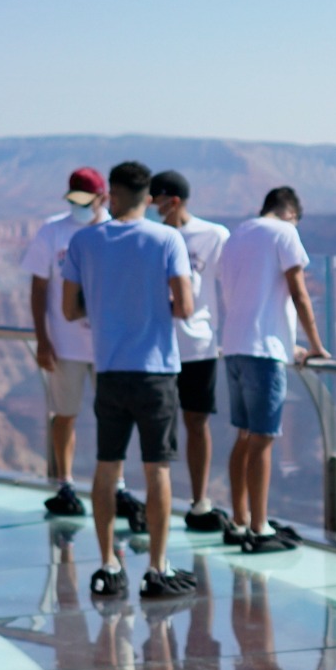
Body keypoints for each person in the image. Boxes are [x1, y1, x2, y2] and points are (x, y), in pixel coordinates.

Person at [61, 160, 199, 600]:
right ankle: (157, 568)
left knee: (107, 466)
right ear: (148, 197)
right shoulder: (167, 238)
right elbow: (186, 306)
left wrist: (104, 305)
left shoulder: (84, 241)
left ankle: (107, 563)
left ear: (113, 196)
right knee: (157, 467)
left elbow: (69, 309)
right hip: (156, 369)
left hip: (110, 369)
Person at [212, 186, 329, 552]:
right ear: (290, 213)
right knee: (262, 439)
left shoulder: (235, 236)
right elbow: (298, 291)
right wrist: (315, 345)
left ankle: (239, 519)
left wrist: (283, 337)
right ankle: (260, 529)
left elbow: (242, 294)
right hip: (263, 353)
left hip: (235, 345)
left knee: (244, 435)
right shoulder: (284, 233)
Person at [149, 169, 235, 534]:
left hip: (198, 344)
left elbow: (230, 286)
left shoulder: (213, 236)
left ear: (175, 200)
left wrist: (229, 334)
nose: (153, 207)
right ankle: (158, 503)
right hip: (156, 344)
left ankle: (199, 502)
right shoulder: (151, 237)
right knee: (157, 427)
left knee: (196, 423)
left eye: (158, 200)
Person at [24, 167, 106, 518]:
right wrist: (42, 339)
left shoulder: (114, 232)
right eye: (73, 201)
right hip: (65, 344)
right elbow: (38, 288)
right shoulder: (53, 231)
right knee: (65, 415)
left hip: (108, 346)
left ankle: (111, 483)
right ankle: (66, 482)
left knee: (111, 417)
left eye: (85, 202)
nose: (78, 208)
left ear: (103, 198)